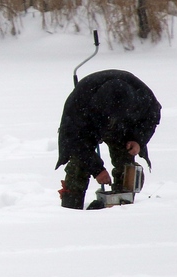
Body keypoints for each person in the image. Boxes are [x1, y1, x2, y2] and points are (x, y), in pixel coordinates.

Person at [56, 69, 161, 210]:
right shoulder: (79, 103)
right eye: (109, 117)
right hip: (88, 126)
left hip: (124, 127)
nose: (111, 122)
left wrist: (138, 140)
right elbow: (74, 142)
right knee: (79, 164)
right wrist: (97, 169)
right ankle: (71, 209)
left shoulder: (142, 97)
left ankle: (123, 206)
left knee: (126, 162)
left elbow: (151, 118)